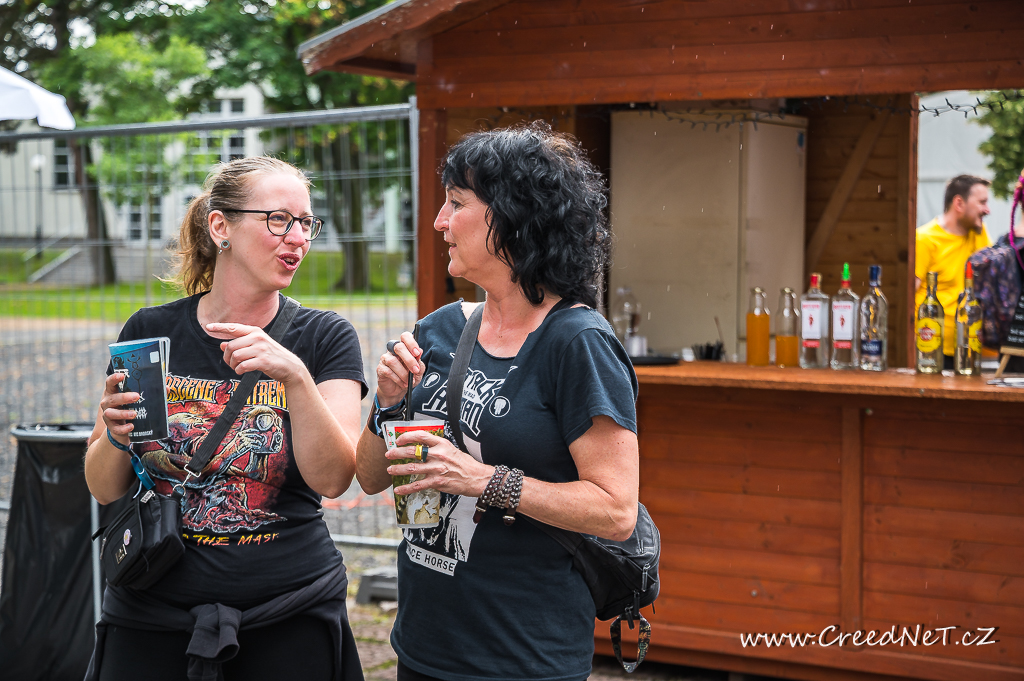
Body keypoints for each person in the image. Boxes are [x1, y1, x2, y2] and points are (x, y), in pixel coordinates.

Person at [356, 122, 640, 681]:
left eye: (456, 203)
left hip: (523, 656)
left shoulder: (576, 342)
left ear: (512, 216)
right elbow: (367, 478)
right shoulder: (440, 329)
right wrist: (387, 404)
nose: (439, 221)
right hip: (423, 645)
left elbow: (615, 511)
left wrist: (483, 480)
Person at [83, 157, 367, 680]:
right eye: (278, 219)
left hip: (288, 612)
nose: (298, 238)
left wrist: (295, 377)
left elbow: (333, 478)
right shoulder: (150, 331)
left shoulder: (324, 337)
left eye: (306, 222)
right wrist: (116, 437)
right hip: (151, 610)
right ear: (221, 227)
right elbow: (103, 487)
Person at [915, 174, 992, 370]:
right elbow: (907, 296)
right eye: (982, 202)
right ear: (959, 203)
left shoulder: (979, 234)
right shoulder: (925, 239)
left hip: (968, 347)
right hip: (930, 347)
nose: (987, 210)